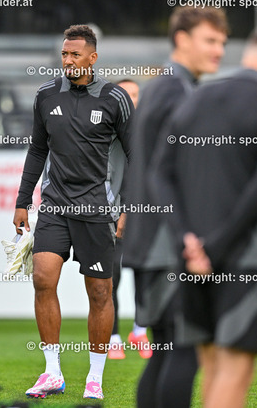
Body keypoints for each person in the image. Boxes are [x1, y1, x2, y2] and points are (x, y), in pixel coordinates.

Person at [152, 23, 257, 408]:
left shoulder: (196, 97)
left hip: (189, 259)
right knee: (235, 372)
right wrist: (214, 248)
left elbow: (160, 175)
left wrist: (187, 240)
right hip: (242, 258)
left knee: (210, 365)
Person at [14, 24, 133, 400]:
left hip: (97, 210)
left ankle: (95, 377)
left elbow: (138, 157)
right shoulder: (46, 95)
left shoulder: (115, 98)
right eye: (64, 54)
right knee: (42, 279)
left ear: (92, 58)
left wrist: (128, 208)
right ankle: (52, 372)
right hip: (54, 206)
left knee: (99, 293)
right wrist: (22, 201)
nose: (67, 60)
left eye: (75, 54)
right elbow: (37, 149)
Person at [120, 6, 228, 407]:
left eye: (222, 42)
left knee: (166, 350)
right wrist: (189, 237)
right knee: (182, 350)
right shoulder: (176, 91)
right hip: (167, 245)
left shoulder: (161, 87)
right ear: (182, 39)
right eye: (210, 40)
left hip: (153, 243)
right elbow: (173, 176)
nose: (219, 50)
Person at [108, 78, 149, 360]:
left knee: (146, 272)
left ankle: (140, 330)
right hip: (114, 212)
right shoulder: (105, 131)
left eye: (135, 94)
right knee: (112, 275)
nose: (132, 100)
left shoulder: (150, 131)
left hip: (145, 213)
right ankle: (112, 337)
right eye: (126, 94)